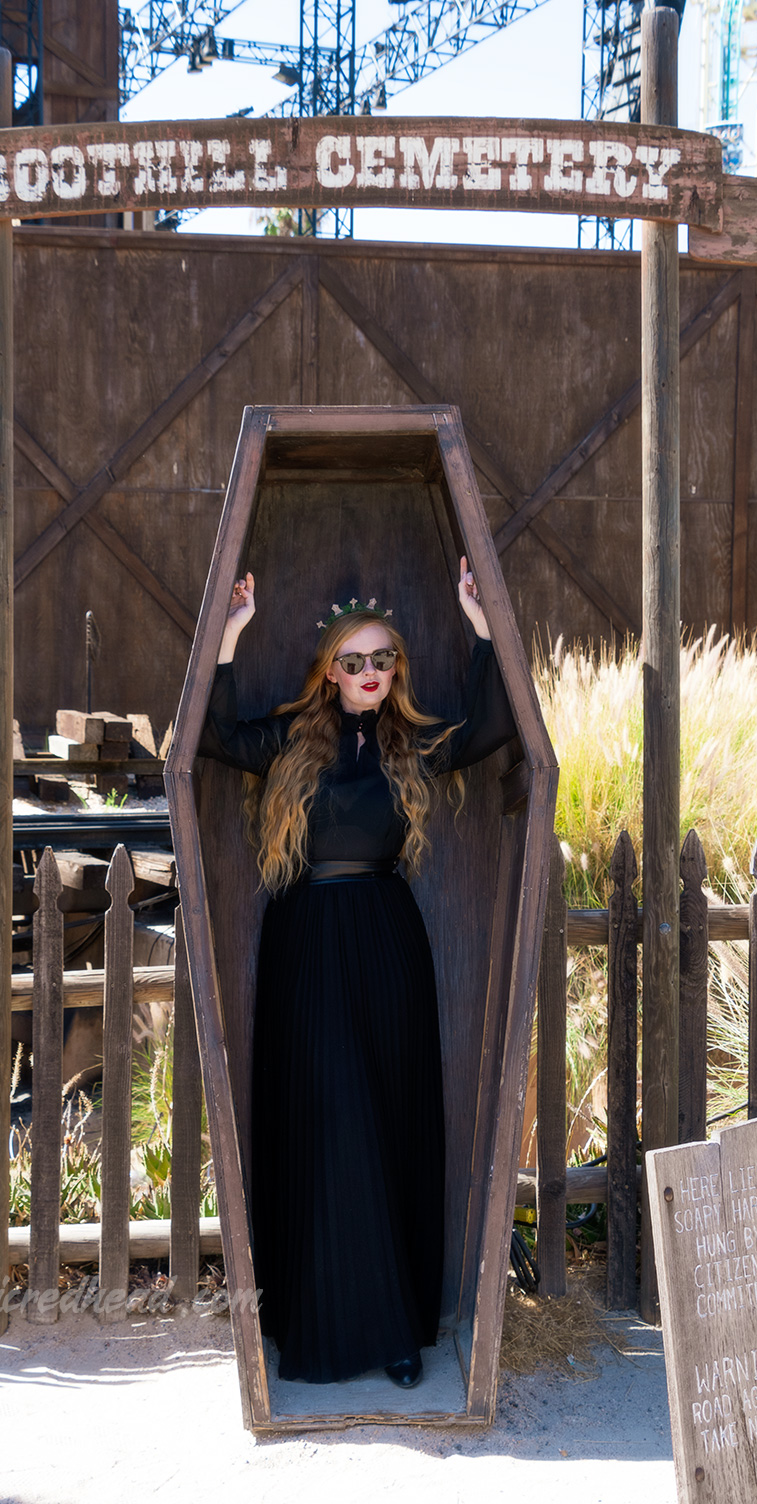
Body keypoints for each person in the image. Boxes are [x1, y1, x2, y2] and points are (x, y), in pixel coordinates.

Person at [199, 559, 517, 1388]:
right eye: (353, 660)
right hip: (306, 939)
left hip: (385, 940)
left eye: (383, 661)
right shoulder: (288, 738)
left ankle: (396, 1328)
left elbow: (490, 731)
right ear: (329, 669)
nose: (370, 674)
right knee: (330, 1119)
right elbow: (210, 735)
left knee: (387, 1119)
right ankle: (323, 1319)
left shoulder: (409, 745)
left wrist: (481, 629)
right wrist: (229, 638)